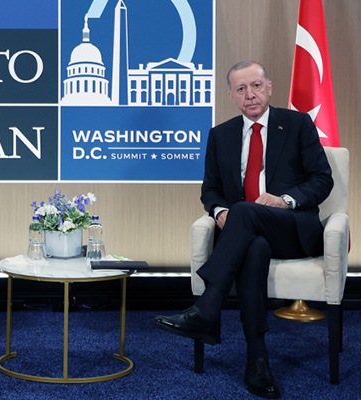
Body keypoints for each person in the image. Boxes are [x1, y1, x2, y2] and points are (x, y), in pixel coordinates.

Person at [152, 61, 333, 399]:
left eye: (256, 86)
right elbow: (210, 190)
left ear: (269, 87)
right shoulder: (220, 135)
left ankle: (207, 308)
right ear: (232, 96)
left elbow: (322, 179)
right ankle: (257, 362)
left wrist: (286, 200)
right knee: (253, 247)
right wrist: (220, 212)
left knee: (245, 213)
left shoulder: (297, 124)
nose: (250, 95)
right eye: (241, 89)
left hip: (291, 229)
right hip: (246, 235)